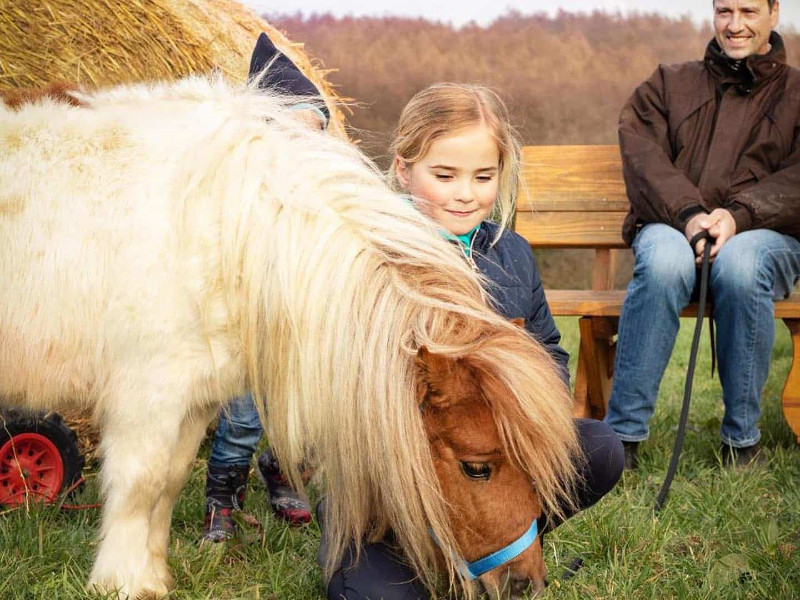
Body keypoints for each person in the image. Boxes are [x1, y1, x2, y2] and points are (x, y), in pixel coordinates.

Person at [318, 82, 625, 599]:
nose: (466, 193)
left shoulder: (512, 254)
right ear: (402, 169)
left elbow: (548, 347)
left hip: (491, 457)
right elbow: (339, 381)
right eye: (445, 175)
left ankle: (495, 539)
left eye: (484, 177)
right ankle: (377, 535)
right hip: (390, 484)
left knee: (600, 451)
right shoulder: (370, 258)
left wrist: (524, 407)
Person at [604, 0, 800, 471]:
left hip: (765, 233)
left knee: (741, 263)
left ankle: (741, 440)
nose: (735, 25)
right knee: (666, 261)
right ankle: (620, 441)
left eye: (749, 11)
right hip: (673, 223)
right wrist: (691, 216)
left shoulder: (797, 92)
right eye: (724, 11)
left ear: (774, 13)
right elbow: (643, 157)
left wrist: (739, 215)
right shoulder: (667, 83)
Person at [202, 31, 329, 542]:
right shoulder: (235, 196)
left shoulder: (325, 197)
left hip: (304, 326)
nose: (304, 143)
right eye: (291, 131)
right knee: (242, 419)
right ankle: (222, 496)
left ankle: (284, 473)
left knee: (305, 414)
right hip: (249, 325)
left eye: (316, 130)